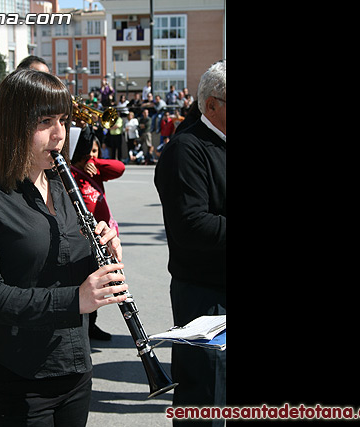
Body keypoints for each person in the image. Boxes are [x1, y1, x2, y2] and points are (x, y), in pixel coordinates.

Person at [0, 69, 129, 427]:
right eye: (45, 121)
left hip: (74, 366)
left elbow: (65, 264)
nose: (59, 134)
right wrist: (76, 299)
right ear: (14, 124)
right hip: (16, 377)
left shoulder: (62, 186)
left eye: (63, 120)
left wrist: (102, 249)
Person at [154, 59, 226, 427]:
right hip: (204, 295)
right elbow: (191, 226)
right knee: (204, 399)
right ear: (211, 104)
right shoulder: (187, 149)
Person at [70, 126, 126, 341]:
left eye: (96, 151)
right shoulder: (70, 173)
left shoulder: (94, 170)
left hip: (101, 238)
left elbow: (119, 167)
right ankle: (80, 327)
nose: (93, 155)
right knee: (83, 283)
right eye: (89, 152)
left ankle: (91, 325)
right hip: (81, 237)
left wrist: (95, 162)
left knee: (98, 282)